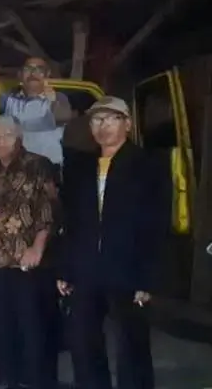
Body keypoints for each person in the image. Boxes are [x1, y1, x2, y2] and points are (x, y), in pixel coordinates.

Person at [58, 96, 168, 389]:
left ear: (127, 124)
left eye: (111, 118)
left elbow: (157, 224)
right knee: (83, 342)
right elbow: (71, 221)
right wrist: (66, 268)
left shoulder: (148, 164)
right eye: (97, 119)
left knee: (131, 345)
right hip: (86, 269)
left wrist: (147, 278)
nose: (103, 126)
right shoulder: (81, 167)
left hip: (128, 269)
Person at [0, 116, 57, 389]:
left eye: (5, 136)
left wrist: (37, 247)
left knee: (34, 327)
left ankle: (39, 382)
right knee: (4, 326)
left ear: (18, 137)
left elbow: (49, 211)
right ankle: (10, 381)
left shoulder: (38, 165)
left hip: (31, 261)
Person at [0, 57, 73, 165]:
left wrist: (53, 101)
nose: (33, 73)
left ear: (47, 74)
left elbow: (64, 117)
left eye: (39, 69)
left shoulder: (58, 98)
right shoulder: (8, 100)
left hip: (47, 167)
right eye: (28, 69)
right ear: (20, 75)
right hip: (15, 167)